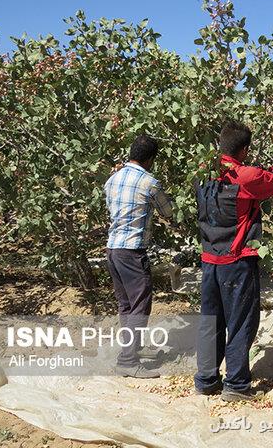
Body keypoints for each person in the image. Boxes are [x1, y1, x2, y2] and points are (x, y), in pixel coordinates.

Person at [194, 120, 273, 401]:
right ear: (244, 149)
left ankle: (206, 380)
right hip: (236, 261)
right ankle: (236, 384)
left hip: (209, 259)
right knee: (242, 321)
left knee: (211, 322)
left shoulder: (202, 174)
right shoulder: (246, 176)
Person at [104, 134, 174, 378]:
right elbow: (168, 211)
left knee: (126, 305)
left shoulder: (112, 179)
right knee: (140, 305)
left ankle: (129, 351)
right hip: (132, 251)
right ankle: (128, 361)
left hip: (112, 249)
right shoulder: (149, 182)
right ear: (151, 159)